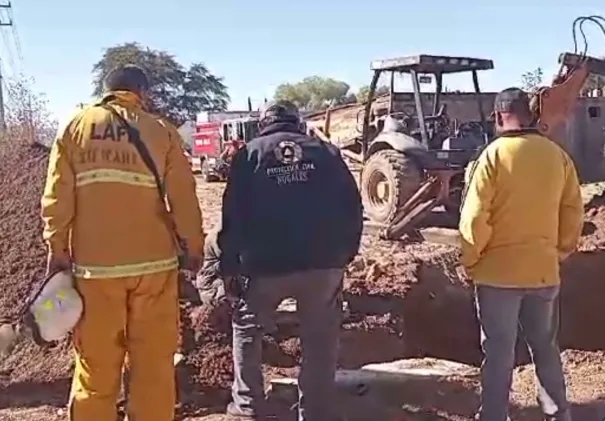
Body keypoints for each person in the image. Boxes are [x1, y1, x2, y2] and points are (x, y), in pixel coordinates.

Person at [41, 64, 204, 421]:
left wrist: (57, 249)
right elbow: (184, 198)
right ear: (141, 94)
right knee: (154, 367)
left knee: (95, 368)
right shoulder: (162, 132)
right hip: (155, 269)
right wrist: (193, 247)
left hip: (95, 271)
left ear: (106, 90)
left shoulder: (77, 125)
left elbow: (57, 195)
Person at [218, 100, 363, 421]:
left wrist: (229, 266)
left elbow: (232, 214)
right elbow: (353, 206)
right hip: (322, 262)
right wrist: (346, 253)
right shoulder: (326, 153)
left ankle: (248, 405)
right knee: (320, 337)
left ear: (263, 124)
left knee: (247, 328)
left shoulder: (250, 154)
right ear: (298, 123)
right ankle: (315, 411)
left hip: (264, 264)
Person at [459, 87, 584, 421]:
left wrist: (470, 259)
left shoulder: (493, 156)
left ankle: (494, 416)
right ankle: (558, 414)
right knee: (545, 347)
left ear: (500, 116)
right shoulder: (557, 156)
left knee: (499, 352)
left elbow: (474, 218)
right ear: (530, 115)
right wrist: (560, 250)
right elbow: (573, 211)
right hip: (543, 272)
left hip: (497, 275)